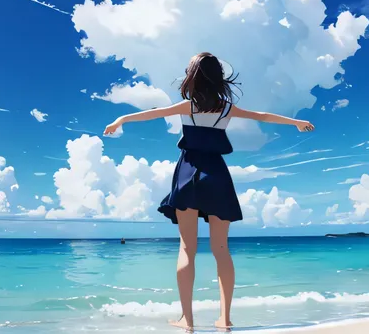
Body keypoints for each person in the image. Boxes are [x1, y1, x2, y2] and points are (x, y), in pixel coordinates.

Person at [103, 52, 315, 331]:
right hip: (217, 175)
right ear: (219, 79)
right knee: (222, 250)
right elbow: (262, 116)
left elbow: (150, 114)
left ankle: (187, 320)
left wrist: (121, 119)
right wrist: (295, 122)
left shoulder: (187, 107)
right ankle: (224, 320)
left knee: (187, 249)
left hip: (188, 172)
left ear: (192, 76)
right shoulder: (226, 109)